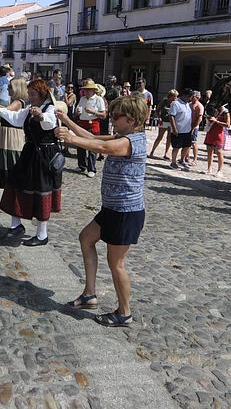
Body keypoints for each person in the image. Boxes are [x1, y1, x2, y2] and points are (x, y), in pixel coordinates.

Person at [57, 95, 148, 327]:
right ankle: (89, 294)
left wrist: (71, 140)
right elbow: (94, 137)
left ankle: (124, 313)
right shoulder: (123, 136)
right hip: (112, 208)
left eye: (116, 116)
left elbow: (103, 147)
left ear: (132, 119)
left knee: (116, 263)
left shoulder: (133, 141)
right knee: (86, 238)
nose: (112, 120)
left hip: (126, 212)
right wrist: (67, 121)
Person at [0, 79, 61, 246]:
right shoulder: (29, 109)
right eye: (29, 94)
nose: (30, 97)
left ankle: (42, 235)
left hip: (44, 155)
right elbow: (15, 117)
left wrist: (40, 116)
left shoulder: (50, 108)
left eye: (33, 94)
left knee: (41, 191)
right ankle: (16, 225)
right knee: (15, 183)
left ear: (42, 94)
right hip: (29, 152)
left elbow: (50, 122)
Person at [76, 78, 107, 177]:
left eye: (88, 90)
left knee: (92, 148)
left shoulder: (99, 99)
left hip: (93, 124)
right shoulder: (82, 98)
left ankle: (92, 169)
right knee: (80, 146)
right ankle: (82, 166)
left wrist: (93, 112)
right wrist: (77, 112)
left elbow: (103, 115)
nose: (86, 92)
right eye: (85, 90)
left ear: (93, 90)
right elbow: (78, 109)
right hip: (82, 123)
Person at [168, 89, 193, 170]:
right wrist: (174, 129)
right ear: (185, 95)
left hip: (187, 130)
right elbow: (171, 116)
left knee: (186, 146)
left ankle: (182, 160)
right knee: (176, 147)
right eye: (189, 97)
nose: (190, 99)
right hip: (178, 130)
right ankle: (173, 162)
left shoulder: (187, 104)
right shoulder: (176, 103)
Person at [204, 103, 231, 176]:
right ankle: (209, 168)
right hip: (210, 132)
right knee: (209, 151)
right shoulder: (212, 109)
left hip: (219, 134)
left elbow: (228, 125)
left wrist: (216, 121)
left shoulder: (225, 112)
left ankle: (220, 170)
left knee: (219, 152)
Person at [150, 90, 177, 160]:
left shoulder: (175, 103)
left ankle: (166, 153)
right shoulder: (164, 101)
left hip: (171, 122)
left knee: (169, 138)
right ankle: (152, 152)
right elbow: (157, 110)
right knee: (160, 137)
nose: (175, 98)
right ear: (170, 96)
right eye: (174, 97)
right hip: (163, 121)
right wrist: (159, 118)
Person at [189, 90, 204, 164]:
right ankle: (186, 157)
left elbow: (200, 118)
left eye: (193, 96)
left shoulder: (199, 106)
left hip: (194, 127)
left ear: (197, 97)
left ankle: (195, 159)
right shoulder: (189, 104)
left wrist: (193, 127)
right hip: (187, 125)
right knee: (187, 142)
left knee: (193, 142)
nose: (191, 97)